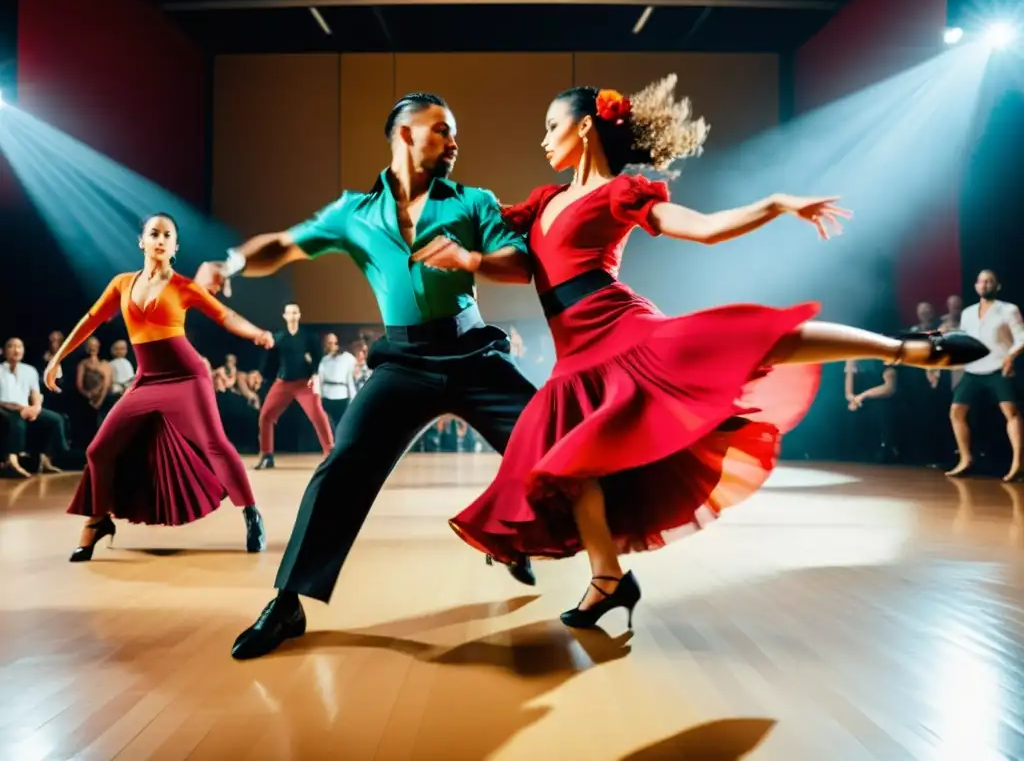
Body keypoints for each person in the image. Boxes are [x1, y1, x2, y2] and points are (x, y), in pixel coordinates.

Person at [433, 76, 989, 630]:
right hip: (575, 359)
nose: (543, 139)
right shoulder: (542, 203)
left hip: (624, 332)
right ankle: (609, 580)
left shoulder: (622, 193)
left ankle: (904, 349)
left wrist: (775, 203)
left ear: (584, 127)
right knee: (569, 467)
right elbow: (494, 245)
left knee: (754, 339)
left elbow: (703, 230)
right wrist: (455, 242)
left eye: (551, 126)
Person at [193, 92, 540, 660]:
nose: (454, 142)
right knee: (341, 468)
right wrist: (228, 262)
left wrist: (470, 260)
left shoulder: (475, 201)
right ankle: (288, 604)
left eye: (455, 133)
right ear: (404, 134)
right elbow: (281, 245)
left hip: (474, 351)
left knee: (549, 441)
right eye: (442, 131)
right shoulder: (353, 213)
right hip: (402, 363)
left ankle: (509, 530)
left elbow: (519, 264)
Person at [43, 213, 274, 561]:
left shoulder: (184, 287)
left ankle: (251, 513)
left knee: (215, 444)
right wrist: (57, 359)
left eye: (168, 235)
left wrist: (256, 332)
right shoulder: (122, 284)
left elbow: (225, 315)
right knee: (98, 451)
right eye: (155, 233)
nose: (161, 239)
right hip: (147, 380)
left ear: (175, 246)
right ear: (143, 241)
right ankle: (99, 520)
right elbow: (90, 319)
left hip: (188, 377)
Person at [946, 269, 1024, 481]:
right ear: (976, 286)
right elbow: (965, 340)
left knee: (1011, 412)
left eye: (989, 281)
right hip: (973, 370)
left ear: (997, 286)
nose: (985, 284)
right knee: (956, 412)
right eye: (981, 281)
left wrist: (1010, 357)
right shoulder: (968, 312)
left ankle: (1018, 462)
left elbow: (1021, 338)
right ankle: (965, 459)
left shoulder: (1008, 309)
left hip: (998, 367)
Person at [254, 302, 335, 469]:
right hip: (283, 382)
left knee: (318, 415)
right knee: (265, 416)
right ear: (285, 316)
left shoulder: (308, 336)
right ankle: (266, 455)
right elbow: (270, 360)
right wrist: (261, 376)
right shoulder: (279, 337)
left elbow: (317, 356)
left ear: (299, 315)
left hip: (304, 383)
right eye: (289, 313)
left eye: (295, 312)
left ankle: (330, 453)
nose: (292, 315)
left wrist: (314, 373)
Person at [0, 337, 68, 476]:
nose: (16, 350)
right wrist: (19, 408)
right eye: (11, 346)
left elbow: (35, 393)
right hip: (4, 408)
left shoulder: (30, 370)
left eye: (19, 346)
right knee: (16, 421)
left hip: (26, 408)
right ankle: (11, 461)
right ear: (4, 351)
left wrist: (36, 408)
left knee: (56, 420)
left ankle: (45, 460)